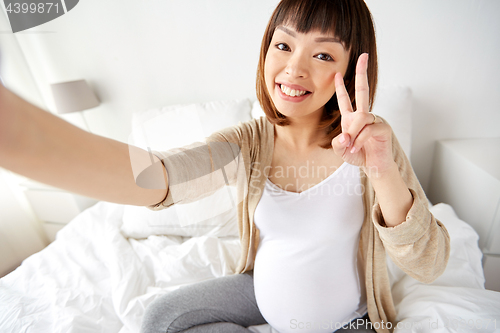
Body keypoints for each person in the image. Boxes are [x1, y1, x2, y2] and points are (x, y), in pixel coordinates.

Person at [0, 0, 450, 332]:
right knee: (159, 317)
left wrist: (382, 170)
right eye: (283, 45)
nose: (293, 69)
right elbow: (161, 176)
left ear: (350, 72)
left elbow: (429, 263)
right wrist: (24, 140)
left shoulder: (371, 139)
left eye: (323, 55)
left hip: (348, 318)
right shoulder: (248, 143)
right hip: (261, 294)